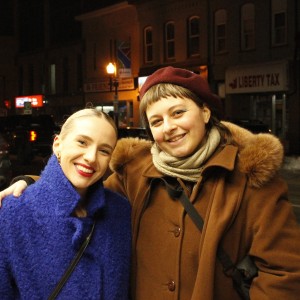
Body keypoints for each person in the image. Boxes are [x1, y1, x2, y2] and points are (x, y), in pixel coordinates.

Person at [1, 66, 300, 299]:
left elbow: (284, 272)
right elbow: (86, 194)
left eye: (178, 112)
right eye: (156, 121)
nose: (169, 127)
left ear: (206, 112)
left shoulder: (251, 177)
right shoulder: (136, 172)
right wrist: (32, 184)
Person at [0, 108, 131, 299]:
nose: (91, 157)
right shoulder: (14, 211)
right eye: (82, 142)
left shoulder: (120, 211)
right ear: (57, 144)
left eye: (104, 150)